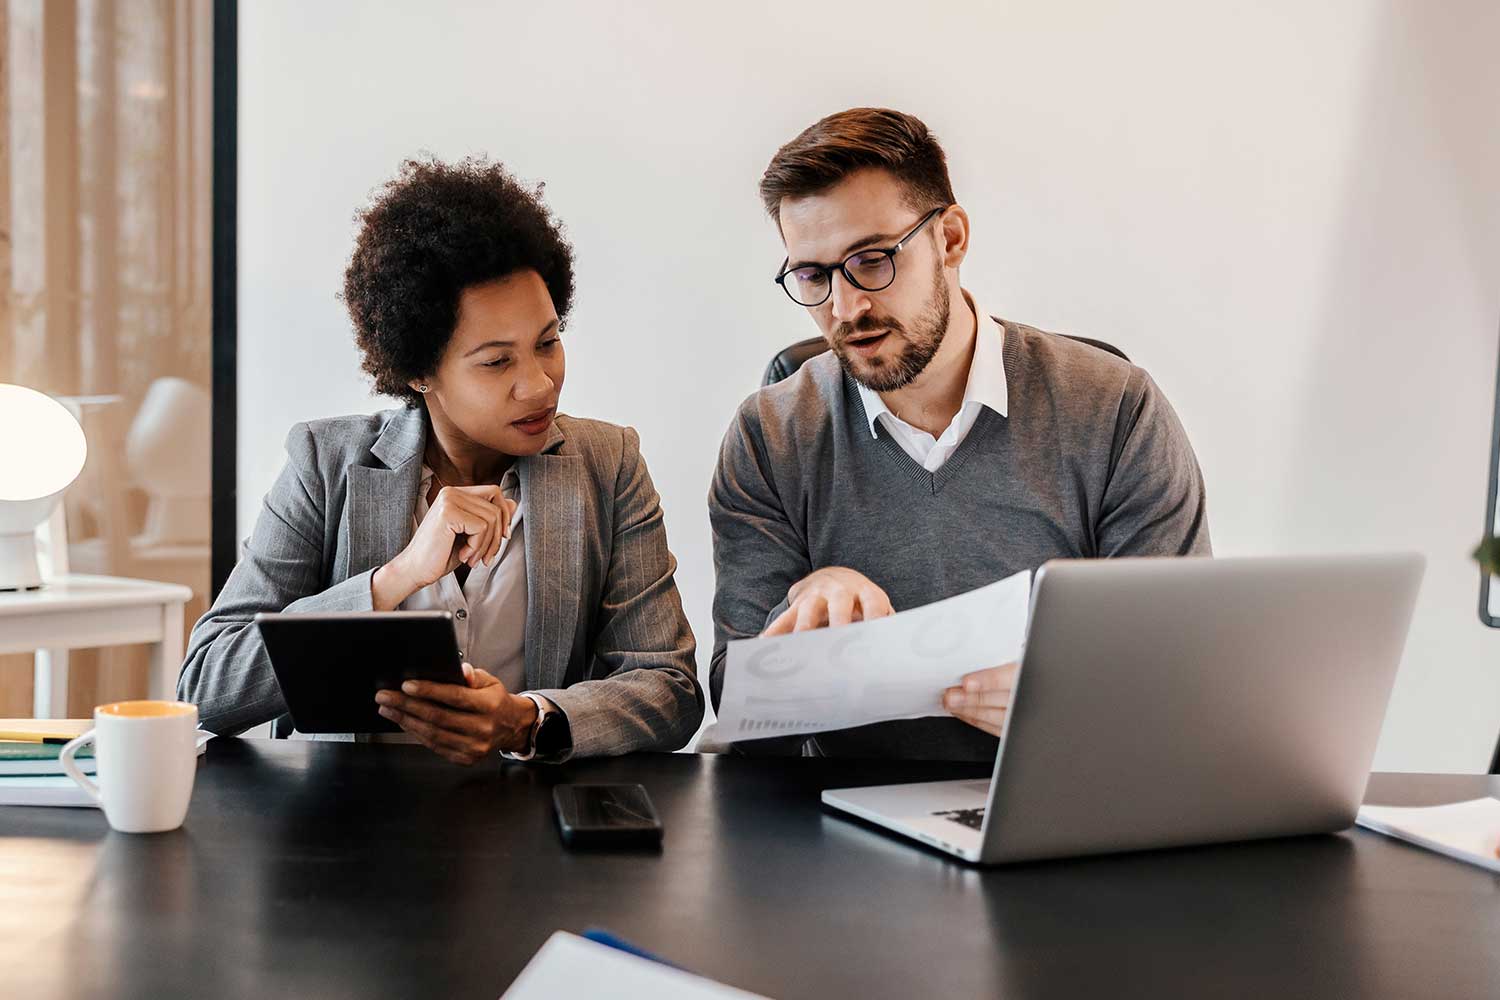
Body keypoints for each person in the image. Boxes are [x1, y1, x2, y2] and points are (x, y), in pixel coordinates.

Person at [709, 108, 1210, 760]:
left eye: (872, 259)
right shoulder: (769, 434)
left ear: (949, 239)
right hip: (840, 817)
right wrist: (806, 611)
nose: (846, 306)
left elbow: (1176, 668)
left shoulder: (1114, 409)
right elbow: (739, 705)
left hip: (1058, 794)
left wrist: (1068, 704)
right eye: (813, 275)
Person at [180, 156, 703, 763]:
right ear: (418, 371)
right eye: (496, 361)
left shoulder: (607, 465)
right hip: (344, 823)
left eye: (548, 343)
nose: (539, 385)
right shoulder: (325, 463)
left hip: (529, 823)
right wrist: (394, 577)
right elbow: (207, 690)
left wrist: (525, 721)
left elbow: (670, 689)